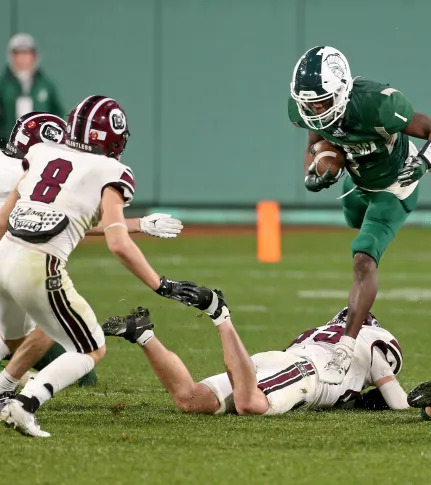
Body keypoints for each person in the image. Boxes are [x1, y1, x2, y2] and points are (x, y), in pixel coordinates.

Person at [0, 95, 199, 437]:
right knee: (91, 348)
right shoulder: (112, 170)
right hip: (38, 267)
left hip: (5, 257)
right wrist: (159, 284)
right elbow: (118, 243)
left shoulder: (41, 153)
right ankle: (26, 404)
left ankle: (4, 390)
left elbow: (9, 217)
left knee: (28, 335)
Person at [288, 46, 431, 384]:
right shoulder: (306, 109)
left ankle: (345, 348)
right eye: (310, 103)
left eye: (322, 101)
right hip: (358, 184)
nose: (316, 110)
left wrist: (424, 161)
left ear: (343, 90)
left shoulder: (379, 103)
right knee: (353, 220)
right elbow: (314, 141)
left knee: (364, 257)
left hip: (395, 185)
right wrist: (314, 172)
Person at [102, 290, 408, 416]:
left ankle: (143, 334)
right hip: (304, 374)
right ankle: (221, 315)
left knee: (191, 399)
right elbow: (396, 401)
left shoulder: (326, 333)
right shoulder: (372, 338)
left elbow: (345, 389)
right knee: (250, 404)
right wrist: (416, 404)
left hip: (280, 362)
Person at [0, 33, 64, 138]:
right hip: (5, 147)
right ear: (11, 57)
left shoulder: (46, 85)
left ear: (34, 56)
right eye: (18, 54)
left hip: (40, 146)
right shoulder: (2, 85)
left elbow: (58, 116)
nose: (23, 58)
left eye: (26, 53)